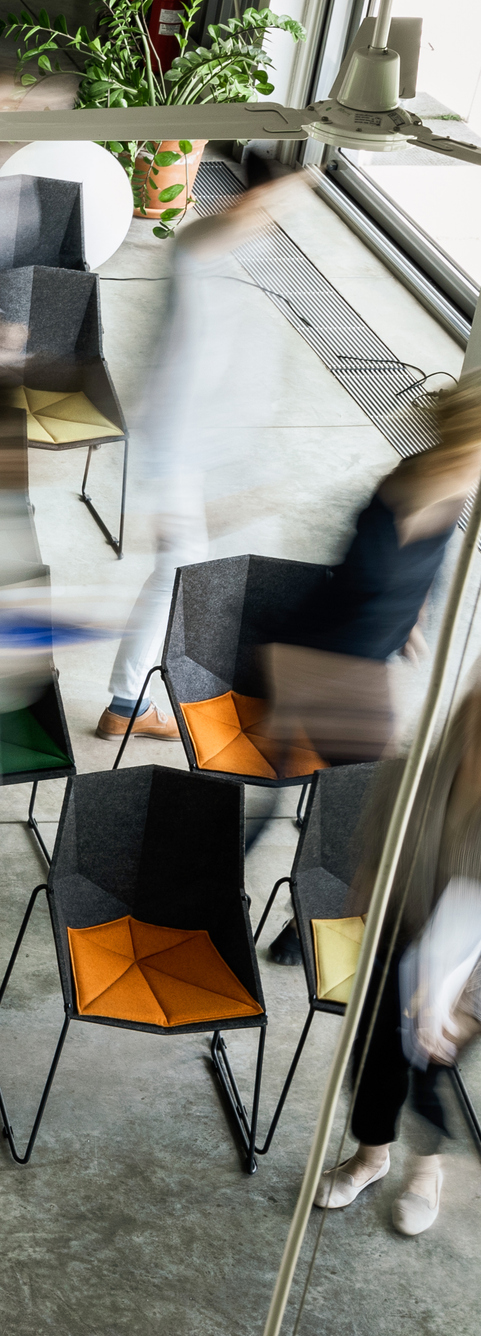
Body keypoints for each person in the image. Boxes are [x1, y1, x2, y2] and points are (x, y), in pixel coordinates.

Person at [264, 380, 481, 962]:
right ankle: (312, 920)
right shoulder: (432, 481)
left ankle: (313, 910)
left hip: (354, 659)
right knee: (373, 813)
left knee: (360, 803)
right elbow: (368, 577)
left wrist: (413, 617)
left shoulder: (447, 480)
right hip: (324, 663)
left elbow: (414, 567)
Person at [98, 160, 302, 741]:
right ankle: (127, 705)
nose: (270, 219)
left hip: (193, 454)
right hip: (176, 452)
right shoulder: (200, 254)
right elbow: (195, 243)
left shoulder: (238, 268)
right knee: (178, 576)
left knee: (184, 574)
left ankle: (129, 703)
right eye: (263, 207)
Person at [315, 683, 481, 1236]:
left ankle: (425, 1170)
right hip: (396, 933)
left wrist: (454, 1002)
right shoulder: (413, 773)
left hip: (468, 967)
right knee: (374, 1056)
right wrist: (359, 924)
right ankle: (371, 1156)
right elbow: (373, 859)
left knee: (430, 1068)